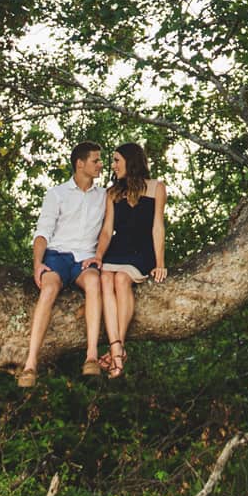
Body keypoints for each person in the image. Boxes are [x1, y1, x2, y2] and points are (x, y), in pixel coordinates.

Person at [18, 141, 109, 389]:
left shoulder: (104, 196)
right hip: (57, 255)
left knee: (93, 282)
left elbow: (107, 232)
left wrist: (98, 256)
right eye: (96, 161)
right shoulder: (56, 194)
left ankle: (91, 356)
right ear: (80, 164)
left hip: (85, 258)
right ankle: (30, 363)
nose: (101, 165)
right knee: (48, 289)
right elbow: (42, 233)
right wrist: (38, 264)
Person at [93, 142, 166, 380]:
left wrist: (160, 263)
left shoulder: (156, 187)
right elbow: (107, 231)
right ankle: (118, 349)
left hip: (141, 250)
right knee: (105, 277)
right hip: (118, 247)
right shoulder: (112, 193)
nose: (112, 166)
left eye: (116, 160)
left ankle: (116, 347)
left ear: (130, 161)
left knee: (122, 279)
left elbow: (157, 227)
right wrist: (99, 256)